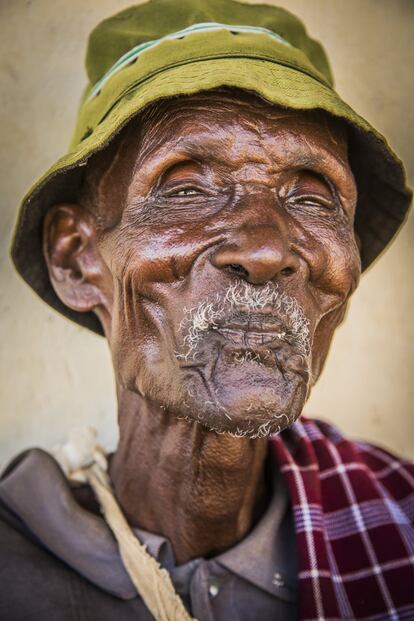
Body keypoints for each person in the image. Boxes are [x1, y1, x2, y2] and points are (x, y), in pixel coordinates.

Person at [1, 1, 413, 619]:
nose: (267, 248)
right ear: (77, 258)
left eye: (312, 196)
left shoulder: (399, 522)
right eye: (186, 188)